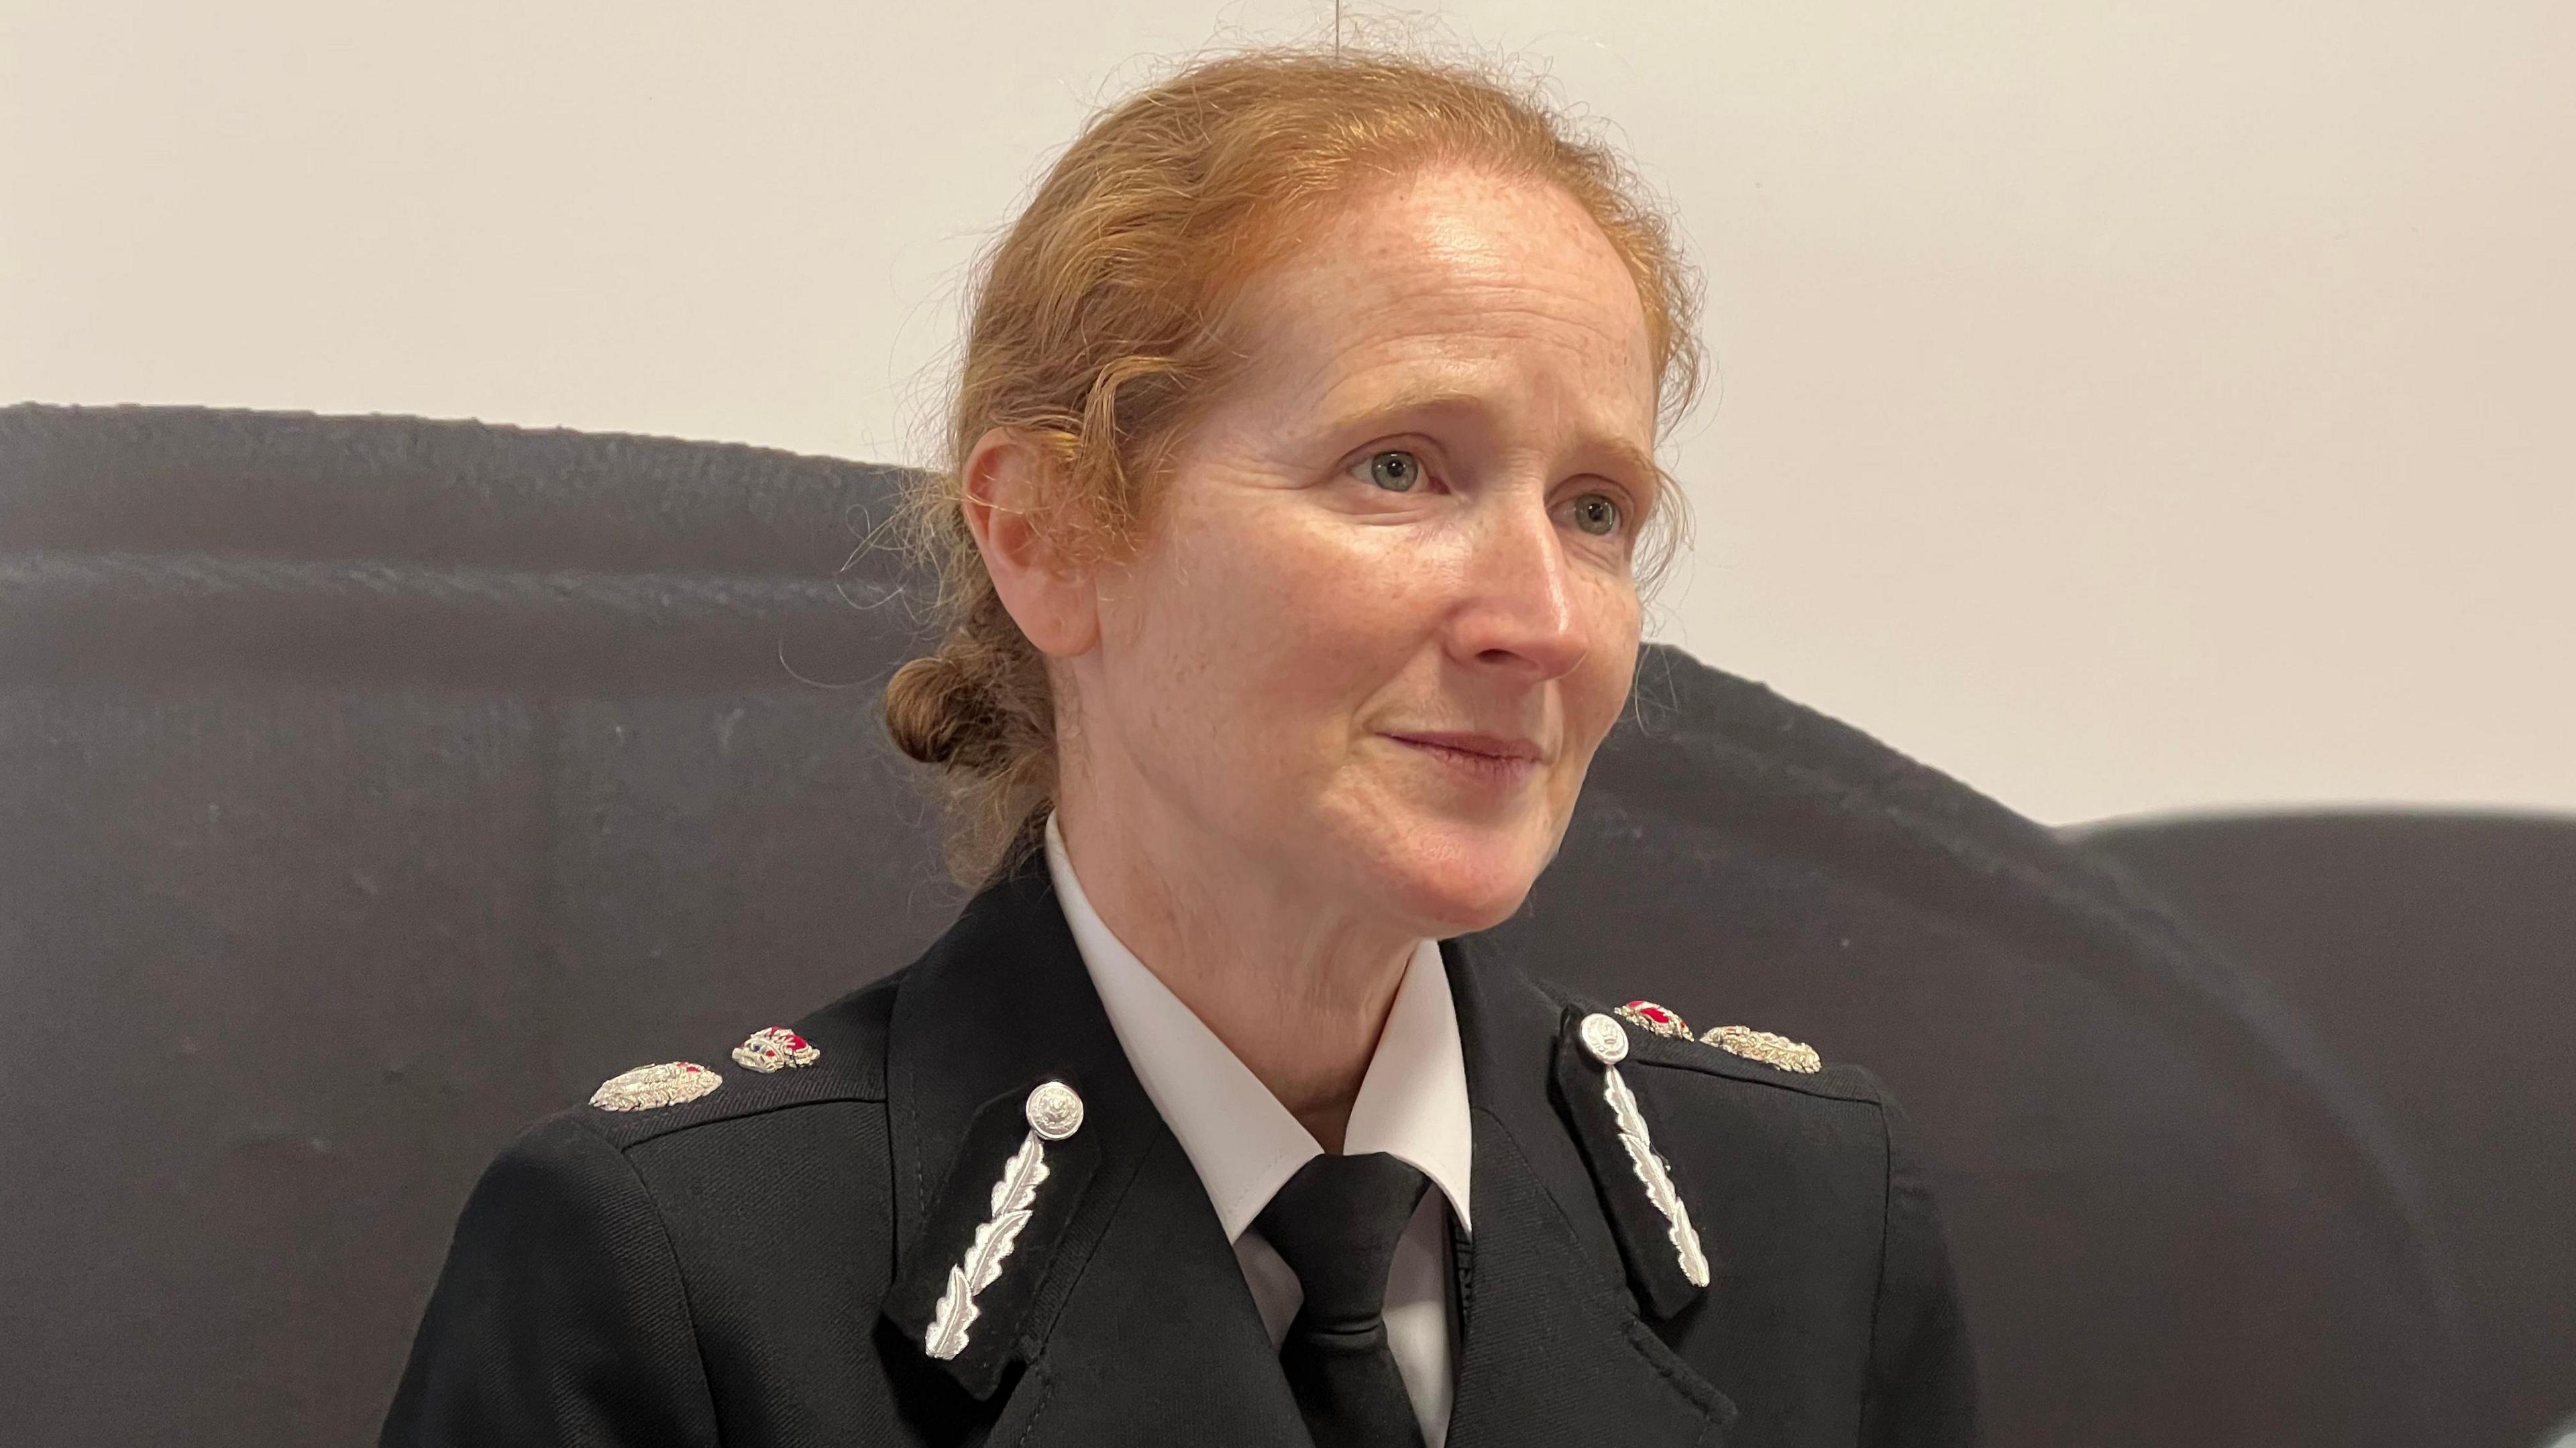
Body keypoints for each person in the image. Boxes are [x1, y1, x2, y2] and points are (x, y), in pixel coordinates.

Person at [382, 44, 1976, 1448]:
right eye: (1402, 469)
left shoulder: (1809, 1222)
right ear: (1051, 533)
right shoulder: (677, 1276)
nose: (1542, 618)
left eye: (1595, 508)